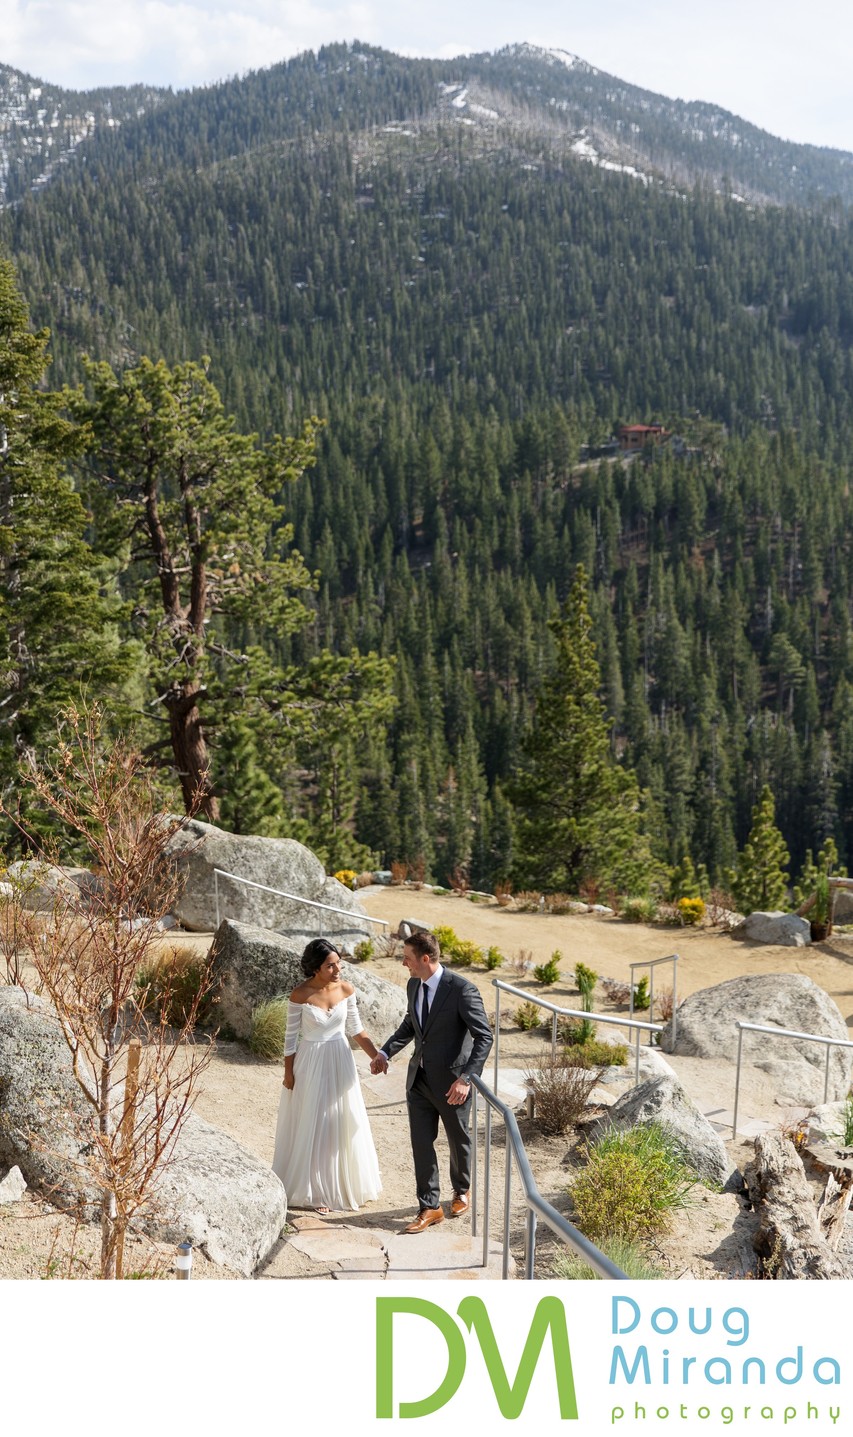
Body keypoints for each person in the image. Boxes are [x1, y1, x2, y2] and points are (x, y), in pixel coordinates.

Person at [370, 929, 492, 1233]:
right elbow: (410, 1025)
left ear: (425, 958)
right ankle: (430, 1206)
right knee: (421, 1144)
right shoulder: (414, 984)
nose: (403, 963)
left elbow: (484, 1037)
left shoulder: (462, 990)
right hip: (419, 1080)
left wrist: (466, 1079)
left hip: (453, 1084)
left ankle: (461, 1190)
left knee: (458, 1140)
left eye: (407, 958)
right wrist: (385, 1052)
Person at [272, 938, 382, 1214]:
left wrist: (376, 1056)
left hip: (340, 1060)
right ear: (316, 968)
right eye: (330, 965)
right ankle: (315, 1190)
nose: (337, 969)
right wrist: (289, 1074)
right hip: (310, 1062)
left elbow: (357, 1029)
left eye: (338, 963)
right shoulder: (299, 994)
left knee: (341, 1118)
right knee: (315, 1120)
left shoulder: (346, 989)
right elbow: (290, 1039)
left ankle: (344, 1184)